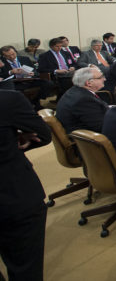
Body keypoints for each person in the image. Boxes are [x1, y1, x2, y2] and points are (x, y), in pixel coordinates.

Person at [0, 90, 51, 281]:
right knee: (25, 269)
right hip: (13, 195)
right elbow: (43, 135)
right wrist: (16, 137)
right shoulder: (8, 99)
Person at [55, 67, 109, 133]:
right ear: (89, 83)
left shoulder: (76, 90)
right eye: (101, 77)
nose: (105, 79)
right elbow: (100, 126)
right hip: (90, 136)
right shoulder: (84, 100)